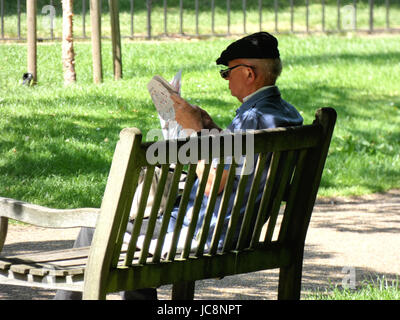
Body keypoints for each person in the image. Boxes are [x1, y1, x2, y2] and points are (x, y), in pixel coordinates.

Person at [54, 31, 303, 300]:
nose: (226, 78)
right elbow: (244, 160)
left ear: (249, 74)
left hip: (204, 233)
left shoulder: (252, 118)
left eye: (227, 72)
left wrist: (194, 132)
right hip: (241, 232)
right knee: (131, 252)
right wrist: (212, 129)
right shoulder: (285, 114)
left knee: (96, 228)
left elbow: (211, 184)